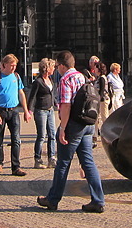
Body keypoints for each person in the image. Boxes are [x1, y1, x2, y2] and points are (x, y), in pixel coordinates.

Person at [37, 50, 105, 213]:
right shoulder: (82, 76)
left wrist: (62, 128)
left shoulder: (66, 79)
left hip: (74, 126)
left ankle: (52, 200)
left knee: (63, 163)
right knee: (88, 162)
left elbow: (66, 105)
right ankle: (98, 200)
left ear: (61, 66)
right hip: (88, 124)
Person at [0, 54, 31, 176]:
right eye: (11, 65)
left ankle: (16, 167)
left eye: (15, 65)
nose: (13, 68)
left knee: (16, 139)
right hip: (1, 111)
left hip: (14, 111)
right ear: (4, 64)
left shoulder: (16, 77)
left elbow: (21, 93)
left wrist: (26, 110)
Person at [27, 58, 57, 169]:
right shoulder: (38, 82)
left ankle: (52, 158)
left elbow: (51, 94)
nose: (54, 69)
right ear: (46, 68)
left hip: (50, 110)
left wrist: (56, 103)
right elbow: (32, 97)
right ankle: (38, 159)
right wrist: (29, 110)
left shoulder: (50, 79)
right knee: (41, 136)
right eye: (52, 67)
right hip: (41, 111)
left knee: (52, 135)